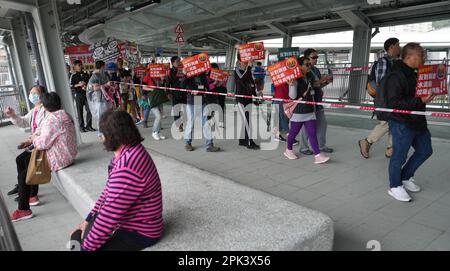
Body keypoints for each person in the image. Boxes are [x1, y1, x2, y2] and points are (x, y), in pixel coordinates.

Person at [71, 110, 163, 251]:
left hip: (140, 232)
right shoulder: (128, 151)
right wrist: (87, 220)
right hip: (135, 221)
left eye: (101, 134)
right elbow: (108, 193)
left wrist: (85, 249)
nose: (100, 138)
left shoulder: (126, 166)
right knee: (77, 237)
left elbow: (108, 217)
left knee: (76, 244)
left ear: (109, 137)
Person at [10, 92, 77, 222]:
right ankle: (30, 195)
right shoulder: (64, 114)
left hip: (59, 157)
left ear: (44, 107)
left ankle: (24, 209)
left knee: (24, 175)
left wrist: (34, 139)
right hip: (68, 153)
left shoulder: (52, 119)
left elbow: (42, 144)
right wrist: (32, 140)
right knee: (23, 160)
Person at [386, 43, 435, 202]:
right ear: (409, 56)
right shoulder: (396, 75)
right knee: (399, 156)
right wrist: (419, 100)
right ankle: (394, 186)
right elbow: (393, 103)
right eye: (421, 54)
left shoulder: (417, 73)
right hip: (402, 122)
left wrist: (426, 97)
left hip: (418, 120)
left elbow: (417, 97)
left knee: (425, 150)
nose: (424, 57)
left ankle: (406, 177)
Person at [4, 86, 47, 203]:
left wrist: (30, 141)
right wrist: (13, 115)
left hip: (42, 144)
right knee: (20, 159)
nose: (31, 95)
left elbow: (43, 130)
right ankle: (23, 187)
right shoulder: (35, 110)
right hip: (36, 143)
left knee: (28, 162)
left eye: (34, 93)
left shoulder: (45, 110)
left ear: (42, 95)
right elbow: (23, 122)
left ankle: (31, 193)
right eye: (30, 93)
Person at [359, 38, 401, 159]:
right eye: (398, 45)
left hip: (393, 98)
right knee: (387, 122)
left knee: (394, 121)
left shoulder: (395, 62)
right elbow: (382, 83)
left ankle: (390, 149)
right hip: (385, 98)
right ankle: (367, 141)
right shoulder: (384, 62)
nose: (399, 47)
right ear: (391, 47)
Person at [284, 57, 330, 164]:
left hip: (310, 110)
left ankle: (318, 156)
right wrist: (291, 85)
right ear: (299, 66)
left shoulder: (309, 76)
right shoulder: (295, 78)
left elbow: (314, 87)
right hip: (299, 112)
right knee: (293, 133)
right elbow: (293, 96)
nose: (310, 66)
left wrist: (324, 81)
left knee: (312, 134)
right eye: (307, 64)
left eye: (310, 64)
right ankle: (288, 150)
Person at [299, 48, 334, 155]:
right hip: (308, 103)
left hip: (317, 102)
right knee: (307, 127)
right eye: (313, 57)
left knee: (322, 124)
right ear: (306, 58)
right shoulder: (304, 71)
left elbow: (317, 85)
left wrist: (326, 82)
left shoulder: (316, 70)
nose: (316, 59)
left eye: (317, 57)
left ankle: (321, 145)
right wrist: (323, 79)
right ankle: (304, 148)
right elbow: (311, 85)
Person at [183, 71, 221, 152]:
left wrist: (199, 89)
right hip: (192, 102)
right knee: (190, 123)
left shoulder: (202, 75)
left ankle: (209, 144)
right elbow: (182, 85)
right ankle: (187, 143)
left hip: (202, 101)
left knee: (205, 123)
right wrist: (184, 74)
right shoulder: (188, 75)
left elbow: (206, 87)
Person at [234, 53, 260, 150]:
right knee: (247, 121)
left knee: (246, 120)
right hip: (241, 99)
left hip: (249, 99)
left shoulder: (248, 72)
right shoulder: (237, 70)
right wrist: (248, 68)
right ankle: (249, 142)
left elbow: (251, 85)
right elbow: (241, 79)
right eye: (245, 61)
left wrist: (256, 95)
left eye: (248, 61)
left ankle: (242, 140)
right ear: (240, 61)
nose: (247, 63)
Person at [87, 60, 112, 137]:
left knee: (108, 115)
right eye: (104, 66)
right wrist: (106, 84)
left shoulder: (104, 74)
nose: (105, 67)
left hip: (106, 98)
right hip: (99, 99)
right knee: (101, 116)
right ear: (102, 66)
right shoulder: (94, 76)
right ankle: (101, 132)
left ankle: (108, 130)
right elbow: (95, 88)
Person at [70, 60, 95, 133]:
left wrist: (86, 86)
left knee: (89, 109)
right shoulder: (73, 75)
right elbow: (71, 86)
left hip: (86, 94)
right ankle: (81, 127)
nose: (80, 66)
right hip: (78, 95)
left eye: (81, 65)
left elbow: (90, 84)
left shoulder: (86, 74)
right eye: (79, 65)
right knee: (79, 111)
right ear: (75, 66)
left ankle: (89, 126)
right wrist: (78, 85)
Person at [143, 74, 169, 141]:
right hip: (152, 98)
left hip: (159, 97)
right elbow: (144, 87)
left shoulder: (158, 76)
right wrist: (152, 89)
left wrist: (162, 80)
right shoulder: (147, 76)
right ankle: (154, 132)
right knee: (158, 116)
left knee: (160, 116)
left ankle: (158, 132)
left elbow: (162, 86)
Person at [167, 56, 186, 132]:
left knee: (185, 109)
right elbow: (168, 83)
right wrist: (168, 92)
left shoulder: (183, 69)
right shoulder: (170, 72)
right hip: (175, 93)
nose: (179, 62)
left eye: (180, 61)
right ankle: (179, 125)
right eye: (177, 61)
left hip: (184, 92)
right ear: (173, 63)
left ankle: (184, 122)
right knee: (176, 110)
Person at [208, 63, 227, 128]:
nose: (215, 71)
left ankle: (221, 122)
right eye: (214, 69)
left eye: (216, 69)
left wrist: (222, 83)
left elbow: (225, 84)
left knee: (221, 106)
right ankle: (210, 120)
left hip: (221, 91)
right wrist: (214, 83)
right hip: (212, 92)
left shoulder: (222, 74)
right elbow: (208, 86)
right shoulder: (208, 76)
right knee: (212, 106)